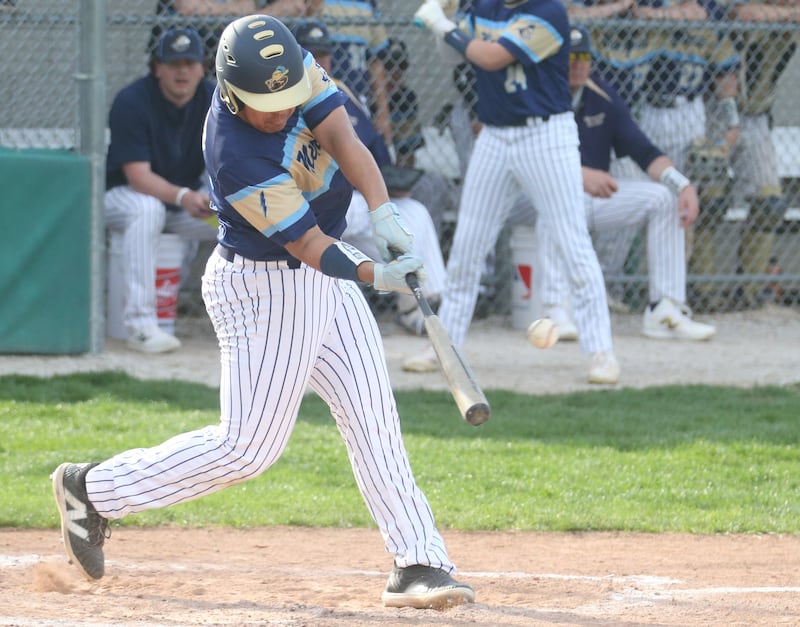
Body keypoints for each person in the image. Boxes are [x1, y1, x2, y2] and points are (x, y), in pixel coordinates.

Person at [52, 14, 474, 611]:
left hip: (325, 278)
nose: (280, 111)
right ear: (229, 91)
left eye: (286, 98)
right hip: (265, 289)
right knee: (247, 449)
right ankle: (92, 490)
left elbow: (345, 142)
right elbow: (306, 247)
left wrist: (383, 212)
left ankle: (418, 561)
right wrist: (377, 275)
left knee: (374, 420)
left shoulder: (294, 69)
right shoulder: (233, 152)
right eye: (265, 104)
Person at [409, 0, 620, 384]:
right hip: (494, 135)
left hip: (546, 135)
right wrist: (446, 17)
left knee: (572, 242)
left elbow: (491, 57)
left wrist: (444, 25)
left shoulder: (548, 11)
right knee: (467, 247)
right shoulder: (482, 6)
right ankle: (444, 347)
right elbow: (452, 56)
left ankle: (601, 352)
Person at [538, 26, 716, 341]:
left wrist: (683, 185)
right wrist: (579, 174)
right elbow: (532, 160)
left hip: (591, 198)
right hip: (537, 197)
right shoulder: (539, 96)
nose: (576, 64)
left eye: (583, 57)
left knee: (664, 198)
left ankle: (665, 309)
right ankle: (557, 310)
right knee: (556, 200)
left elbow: (643, 151)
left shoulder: (603, 96)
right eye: (569, 57)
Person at [292, 17, 448, 335]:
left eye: (323, 55)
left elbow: (376, 158)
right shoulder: (284, 102)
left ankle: (422, 303)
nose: (318, 62)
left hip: (356, 200)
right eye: (310, 55)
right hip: (312, 204)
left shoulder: (341, 95)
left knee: (414, 211)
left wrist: (390, 186)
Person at [104, 27, 218, 353]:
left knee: (238, 219)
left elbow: (229, 159)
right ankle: (140, 326)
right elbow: (137, 177)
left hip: (183, 202)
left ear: (202, 67)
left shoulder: (213, 99)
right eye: (173, 63)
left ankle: (255, 319)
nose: (181, 70)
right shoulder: (132, 100)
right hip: (120, 197)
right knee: (146, 209)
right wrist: (186, 197)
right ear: (157, 68)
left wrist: (215, 200)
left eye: (189, 62)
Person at [702, 0, 799, 308]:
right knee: (710, 198)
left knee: (770, 201)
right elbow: (743, 15)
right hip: (716, 110)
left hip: (757, 115)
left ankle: (751, 291)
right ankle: (704, 291)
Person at [305, 0, 393, 145]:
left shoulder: (368, 4)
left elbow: (375, 60)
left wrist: (383, 113)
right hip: (321, 97)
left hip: (358, 99)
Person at [149, 0, 306, 71]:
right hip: (185, 52)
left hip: (242, 51)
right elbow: (187, 6)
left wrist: (251, 18)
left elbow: (296, 4)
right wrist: (236, 8)